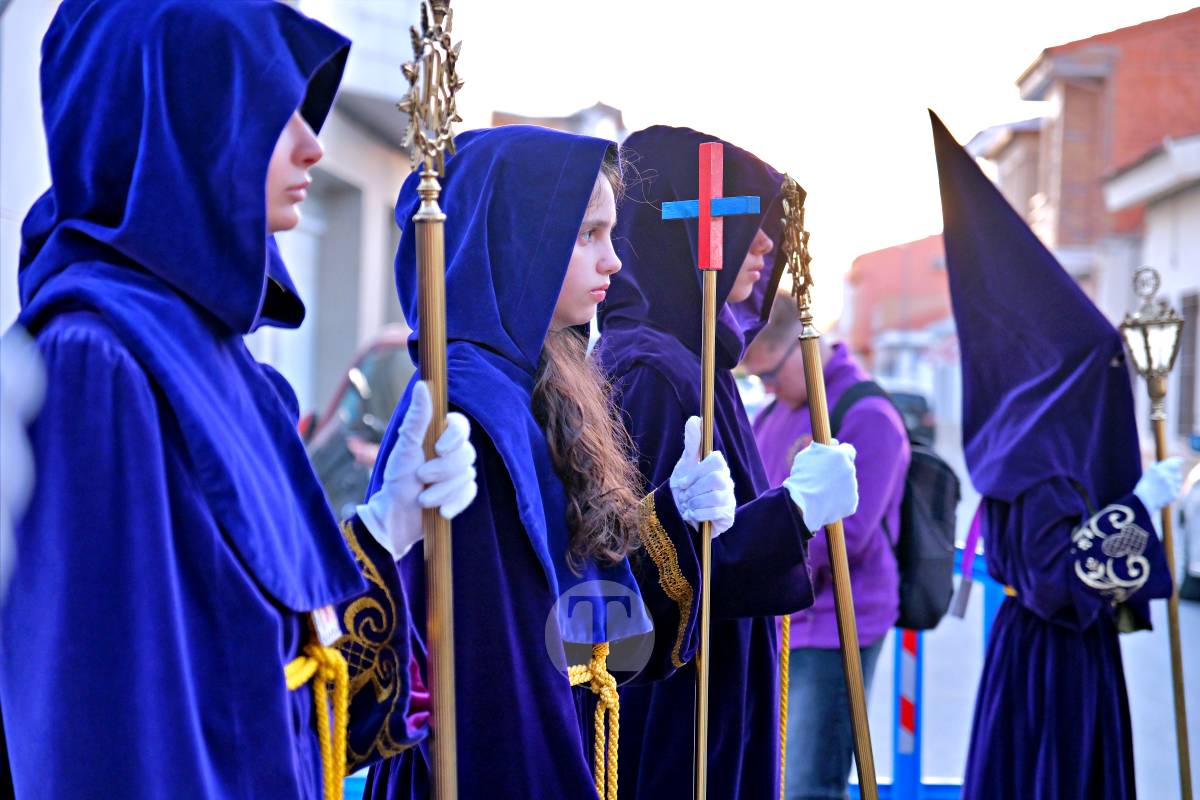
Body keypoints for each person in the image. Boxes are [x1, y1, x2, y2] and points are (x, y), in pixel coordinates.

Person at [0, 2, 474, 795]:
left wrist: (386, 532)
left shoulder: (221, 360)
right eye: (271, 109)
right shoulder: (96, 361)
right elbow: (106, 737)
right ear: (179, 120)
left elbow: (281, 691)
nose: (311, 143)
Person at [361, 125, 738, 799]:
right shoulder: (469, 409)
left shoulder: (535, 382)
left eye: (611, 234)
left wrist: (672, 517)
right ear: (518, 242)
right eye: (587, 234)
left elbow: (594, 625)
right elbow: (492, 679)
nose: (614, 261)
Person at [596, 125, 860, 800]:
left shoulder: (692, 361)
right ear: (682, 233)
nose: (767, 246)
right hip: (683, 700)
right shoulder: (651, 369)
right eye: (746, 218)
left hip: (720, 683)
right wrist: (794, 510)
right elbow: (663, 568)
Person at [931, 111, 1179, 800]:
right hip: (1053, 664)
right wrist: (1137, 506)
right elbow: (1054, 580)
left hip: (1056, 655)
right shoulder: (1039, 459)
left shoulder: (1035, 442)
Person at [742, 292, 909, 800]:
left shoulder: (868, 414)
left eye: (769, 374)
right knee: (772, 775)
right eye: (757, 379)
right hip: (781, 619)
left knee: (809, 784)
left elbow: (848, 535)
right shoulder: (773, 414)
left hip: (836, 626)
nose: (766, 387)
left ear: (802, 349)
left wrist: (754, 562)